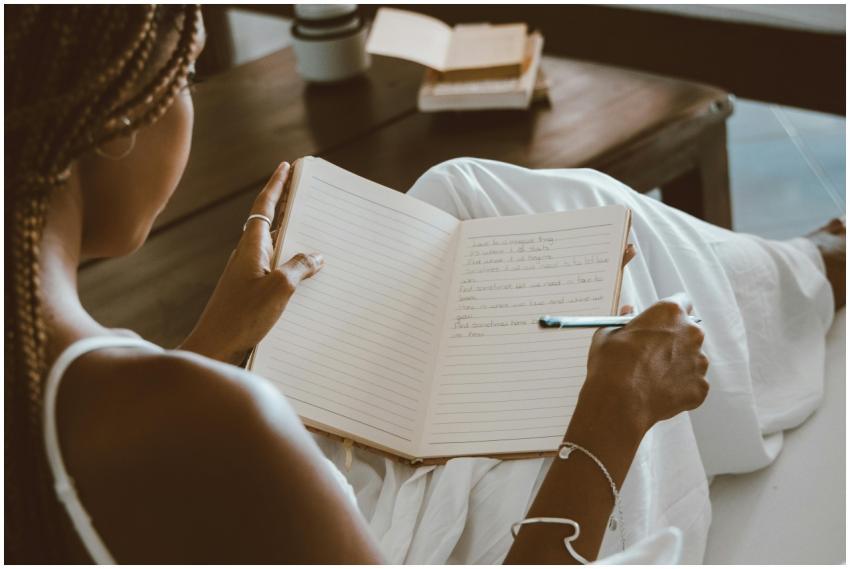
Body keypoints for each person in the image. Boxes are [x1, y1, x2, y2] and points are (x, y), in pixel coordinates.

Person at [4, 5, 844, 564]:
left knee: (464, 193)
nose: (184, 99)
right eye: (180, 80)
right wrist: (612, 413)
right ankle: (812, 276)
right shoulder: (220, 419)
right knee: (596, 275)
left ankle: (803, 270)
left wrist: (211, 344)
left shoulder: (43, 365)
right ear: (113, 119)